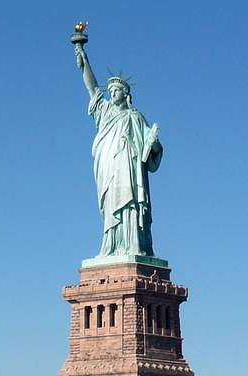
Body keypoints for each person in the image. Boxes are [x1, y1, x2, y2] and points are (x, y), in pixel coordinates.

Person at [74, 42, 162, 258]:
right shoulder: (103, 111)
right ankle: (111, 246)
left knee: (130, 202)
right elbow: (92, 89)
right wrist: (84, 62)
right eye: (111, 90)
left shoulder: (135, 117)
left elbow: (152, 150)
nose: (112, 93)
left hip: (129, 167)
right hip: (109, 166)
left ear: (125, 93)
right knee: (112, 204)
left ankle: (133, 245)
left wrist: (154, 144)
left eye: (117, 90)